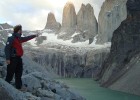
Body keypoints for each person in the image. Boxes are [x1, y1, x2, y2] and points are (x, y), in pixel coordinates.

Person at [4, 25, 39, 90]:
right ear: (18, 31)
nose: (22, 31)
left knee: (19, 73)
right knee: (10, 73)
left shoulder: (19, 39)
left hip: (18, 58)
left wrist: (34, 36)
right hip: (12, 58)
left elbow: (27, 38)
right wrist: (8, 58)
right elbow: (7, 48)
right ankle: (5, 86)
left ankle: (18, 87)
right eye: (21, 30)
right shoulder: (11, 38)